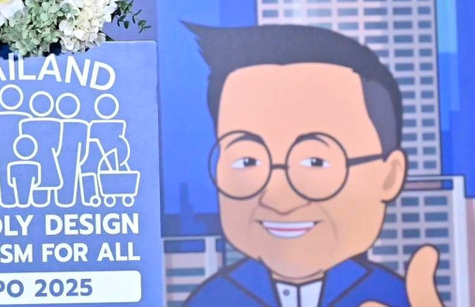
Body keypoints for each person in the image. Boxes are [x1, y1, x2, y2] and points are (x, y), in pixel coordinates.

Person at [183, 24, 442, 307]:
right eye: (248, 161)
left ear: (389, 176)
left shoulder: (393, 296)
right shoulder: (212, 299)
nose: (279, 200)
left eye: (315, 162)